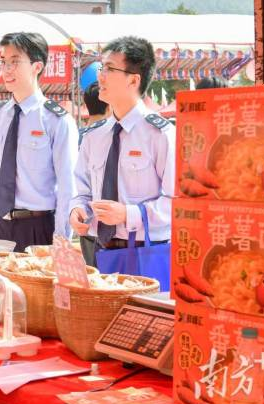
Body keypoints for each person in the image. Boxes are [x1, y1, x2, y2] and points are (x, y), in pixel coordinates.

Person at [69, 36, 175, 266]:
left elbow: (177, 203)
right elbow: (82, 190)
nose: (100, 76)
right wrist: (77, 209)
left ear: (133, 80)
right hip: (99, 251)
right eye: (102, 68)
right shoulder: (94, 136)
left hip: (145, 253)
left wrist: (128, 214)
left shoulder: (160, 134)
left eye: (109, 68)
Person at [0, 32, 78, 252]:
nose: (6, 70)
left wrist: (61, 243)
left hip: (37, 228)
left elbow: (68, 186)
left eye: (14, 62)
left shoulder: (56, 121)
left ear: (36, 67)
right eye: (3, 62)